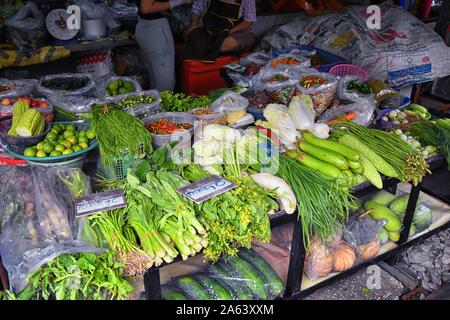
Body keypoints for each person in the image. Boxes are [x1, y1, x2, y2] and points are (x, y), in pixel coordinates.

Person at [135, 0, 192, 91]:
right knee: (165, 85)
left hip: (148, 27)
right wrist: (181, 1)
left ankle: (156, 104)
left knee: (156, 82)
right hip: (155, 30)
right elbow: (146, 8)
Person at [185, 0, 256, 61]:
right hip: (211, 28)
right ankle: (209, 49)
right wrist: (193, 24)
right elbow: (197, 9)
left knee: (243, 38)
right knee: (189, 35)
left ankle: (209, 49)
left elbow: (248, 22)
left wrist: (227, 33)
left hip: (234, 31)